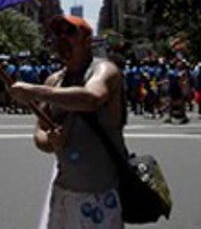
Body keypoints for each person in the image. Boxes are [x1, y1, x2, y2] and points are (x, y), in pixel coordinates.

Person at [10, 15, 126, 229]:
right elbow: (39, 132)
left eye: (70, 33)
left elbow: (92, 98)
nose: (62, 38)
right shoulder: (54, 81)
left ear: (87, 41)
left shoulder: (104, 70)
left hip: (100, 195)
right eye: (57, 33)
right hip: (64, 193)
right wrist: (49, 141)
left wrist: (36, 91)